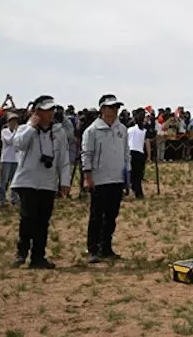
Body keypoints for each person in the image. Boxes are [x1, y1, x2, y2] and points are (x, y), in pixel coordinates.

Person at [10, 95, 72, 268]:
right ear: (37, 111)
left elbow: (63, 158)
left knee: (43, 221)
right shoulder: (24, 128)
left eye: (52, 110)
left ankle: (38, 257)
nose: (51, 113)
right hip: (27, 181)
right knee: (28, 218)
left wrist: (64, 181)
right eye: (47, 110)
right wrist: (32, 126)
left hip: (48, 182)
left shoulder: (58, 132)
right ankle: (21, 253)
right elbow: (19, 144)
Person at [82, 94, 130, 263]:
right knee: (96, 216)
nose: (115, 110)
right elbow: (87, 154)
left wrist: (127, 176)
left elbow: (126, 154)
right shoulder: (92, 131)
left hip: (117, 178)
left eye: (117, 107)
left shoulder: (122, 129)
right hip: (99, 179)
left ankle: (106, 247)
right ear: (102, 109)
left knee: (111, 216)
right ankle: (93, 249)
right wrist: (88, 177)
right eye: (111, 107)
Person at [0, 111, 21, 206]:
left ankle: (14, 199)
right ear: (8, 122)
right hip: (6, 159)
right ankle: (1, 199)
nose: (14, 123)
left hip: (16, 159)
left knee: (15, 181)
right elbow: (9, 141)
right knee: (4, 180)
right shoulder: (4, 131)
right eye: (12, 121)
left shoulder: (18, 132)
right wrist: (16, 132)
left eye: (15, 121)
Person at [127, 111, 151, 199]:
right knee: (138, 175)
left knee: (131, 173)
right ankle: (138, 192)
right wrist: (149, 156)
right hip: (139, 153)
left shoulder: (129, 130)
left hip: (129, 152)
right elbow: (147, 144)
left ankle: (132, 189)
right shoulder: (144, 131)